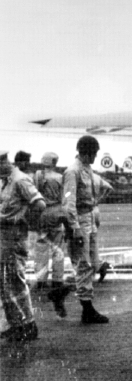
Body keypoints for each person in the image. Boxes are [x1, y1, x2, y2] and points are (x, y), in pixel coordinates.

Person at [63, 135, 109, 324]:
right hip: (80, 222)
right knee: (84, 265)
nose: (95, 157)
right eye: (94, 153)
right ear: (86, 152)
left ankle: (61, 294)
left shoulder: (87, 169)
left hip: (88, 218)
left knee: (90, 264)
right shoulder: (72, 172)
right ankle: (87, 310)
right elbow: (68, 203)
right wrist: (75, 229)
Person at [0, 151, 46, 343]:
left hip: (14, 236)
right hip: (4, 237)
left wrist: (24, 221)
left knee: (15, 281)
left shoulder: (20, 180)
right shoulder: (7, 181)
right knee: (4, 283)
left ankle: (28, 324)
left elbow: (40, 204)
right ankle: (16, 324)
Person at [33, 152, 73, 317]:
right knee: (58, 249)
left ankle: (41, 280)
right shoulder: (59, 177)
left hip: (41, 211)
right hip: (56, 211)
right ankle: (57, 279)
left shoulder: (37, 176)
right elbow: (65, 198)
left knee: (41, 248)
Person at [91, 171, 113, 283]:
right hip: (95, 209)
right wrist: (100, 199)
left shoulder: (77, 176)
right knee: (92, 242)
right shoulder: (96, 177)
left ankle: (94, 268)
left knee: (80, 244)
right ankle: (99, 265)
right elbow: (109, 187)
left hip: (84, 211)